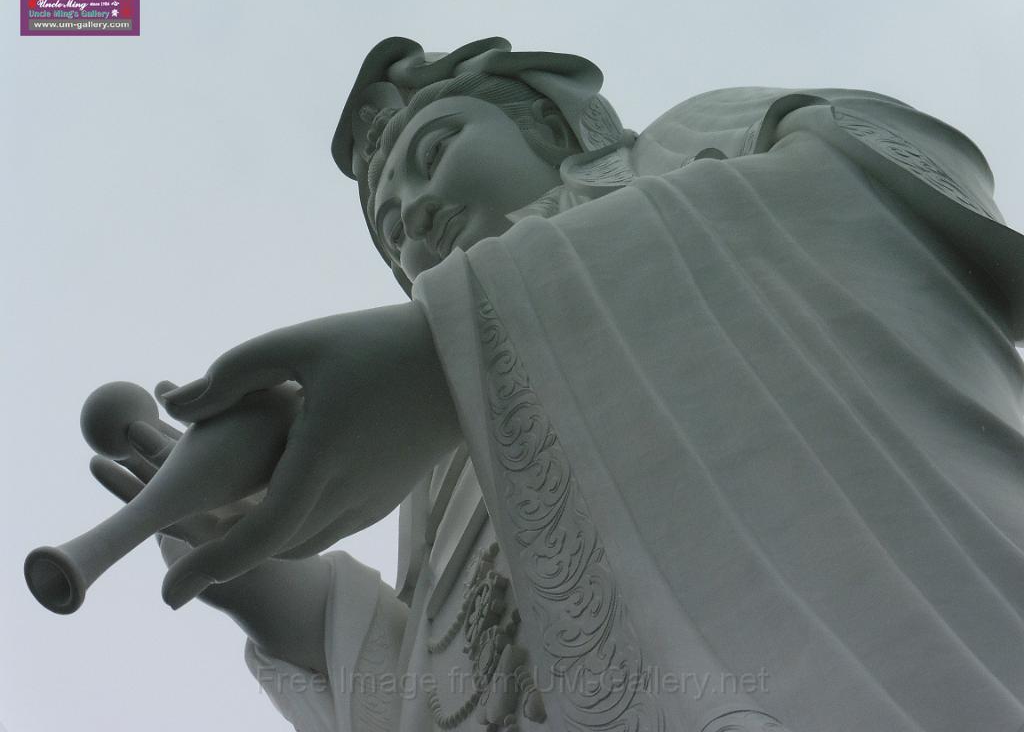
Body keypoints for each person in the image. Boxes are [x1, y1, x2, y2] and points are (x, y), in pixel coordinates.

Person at [98, 37, 1024, 730]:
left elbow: (908, 188)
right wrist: (289, 601)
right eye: (389, 233)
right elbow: (455, 667)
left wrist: (444, 351)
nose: (413, 213)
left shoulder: (685, 151)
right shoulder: (438, 448)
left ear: (561, 127)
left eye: (436, 151)